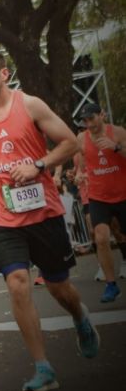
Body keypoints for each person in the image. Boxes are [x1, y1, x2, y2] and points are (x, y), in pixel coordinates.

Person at [0, 47, 99, 391]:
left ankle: (80, 317)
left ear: (4, 74)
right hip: (3, 216)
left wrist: (38, 165)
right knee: (17, 281)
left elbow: (69, 144)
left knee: (57, 285)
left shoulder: (30, 105)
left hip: (43, 211)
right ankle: (43, 368)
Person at [75, 102, 126, 302]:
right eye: (85, 121)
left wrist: (116, 148)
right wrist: (79, 172)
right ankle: (111, 285)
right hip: (99, 197)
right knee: (101, 237)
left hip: (123, 195)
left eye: (92, 118)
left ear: (102, 115)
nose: (89, 124)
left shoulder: (119, 132)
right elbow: (79, 157)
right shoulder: (81, 138)